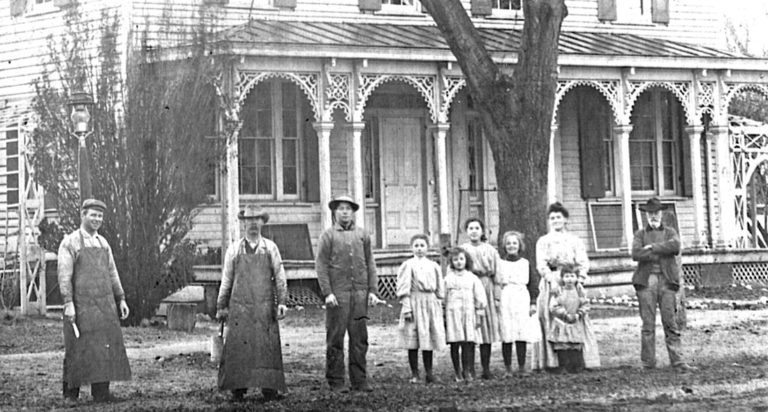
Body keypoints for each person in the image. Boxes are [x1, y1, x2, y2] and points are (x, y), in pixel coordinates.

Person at [58, 199, 131, 403]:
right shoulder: (70, 242)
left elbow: (112, 273)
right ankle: (70, 394)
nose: (97, 219)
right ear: (83, 215)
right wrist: (68, 304)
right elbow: (64, 277)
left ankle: (101, 393)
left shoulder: (103, 243)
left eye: (100, 216)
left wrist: (121, 299)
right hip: (81, 306)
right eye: (93, 215)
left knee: (103, 347)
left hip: (104, 305)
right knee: (77, 347)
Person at [216, 205, 287, 401]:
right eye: (249, 220)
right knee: (239, 347)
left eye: (257, 219)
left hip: (264, 307)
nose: (253, 223)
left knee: (267, 346)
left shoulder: (270, 248)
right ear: (244, 223)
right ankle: (238, 389)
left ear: (262, 222)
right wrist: (222, 306)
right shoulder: (234, 250)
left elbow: (280, 277)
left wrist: (281, 301)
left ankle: (269, 388)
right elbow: (226, 281)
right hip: (240, 308)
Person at [316, 194, 382, 393]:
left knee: (359, 338)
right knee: (335, 338)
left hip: (360, 294)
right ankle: (336, 381)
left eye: (348, 208)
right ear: (334, 212)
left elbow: (370, 263)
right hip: (338, 295)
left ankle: (359, 380)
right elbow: (321, 266)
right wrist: (327, 292)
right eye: (341, 208)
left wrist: (372, 290)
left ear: (353, 212)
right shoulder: (328, 236)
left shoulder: (362, 235)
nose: (345, 212)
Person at [632, 197, 696, 372]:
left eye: (656, 213)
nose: (653, 216)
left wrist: (652, 248)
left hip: (667, 281)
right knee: (647, 324)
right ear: (646, 215)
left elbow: (675, 246)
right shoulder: (639, 234)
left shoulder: (670, 231)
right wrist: (661, 250)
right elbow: (636, 253)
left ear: (661, 214)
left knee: (670, 322)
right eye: (650, 213)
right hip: (646, 282)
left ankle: (678, 362)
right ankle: (648, 363)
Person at [534, 202, 599, 371]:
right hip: (552, 282)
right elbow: (541, 264)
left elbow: (583, 262)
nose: (555, 220)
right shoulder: (544, 241)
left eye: (558, 217)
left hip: (572, 280)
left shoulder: (574, 240)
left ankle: (579, 360)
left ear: (565, 220)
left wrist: (580, 280)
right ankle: (553, 362)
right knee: (551, 317)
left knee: (575, 316)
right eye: (552, 218)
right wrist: (552, 280)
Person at [395, 234, 446, 384]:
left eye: (422, 245)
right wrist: (407, 308)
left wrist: (439, 304)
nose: (419, 249)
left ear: (427, 248)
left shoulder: (434, 265)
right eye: (416, 246)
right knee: (413, 340)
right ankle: (415, 373)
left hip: (430, 304)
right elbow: (404, 288)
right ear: (412, 248)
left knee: (427, 338)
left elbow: (439, 289)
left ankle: (429, 373)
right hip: (414, 303)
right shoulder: (408, 265)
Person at [495, 231, 541, 376]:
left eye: (514, 243)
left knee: (521, 333)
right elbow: (497, 283)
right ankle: (508, 367)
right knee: (507, 332)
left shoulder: (525, 263)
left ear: (519, 245)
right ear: (504, 246)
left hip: (521, 297)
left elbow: (533, 284)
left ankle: (521, 366)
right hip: (506, 297)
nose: (511, 246)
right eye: (508, 243)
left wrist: (533, 303)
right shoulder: (500, 263)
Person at [460, 217, 500, 379]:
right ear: (467, 231)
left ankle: (486, 368)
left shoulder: (490, 250)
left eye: (477, 228)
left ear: (482, 231)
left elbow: (498, 274)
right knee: (469, 327)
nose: (474, 231)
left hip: (486, 286)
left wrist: (497, 296)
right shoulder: (462, 249)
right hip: (467, 287)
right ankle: (469, 368)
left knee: (486, 328)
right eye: (471, 228)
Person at [444, 247, 487, 383]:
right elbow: (442, 297)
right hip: (453, 314)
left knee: (468, 343)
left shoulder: (472, 278)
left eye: (461, 259)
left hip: (468, 313)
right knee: (455, 343)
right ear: (451, 262)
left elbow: (479, 297)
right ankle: (457, 371)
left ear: (466, 260)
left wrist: (479, 314)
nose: (458, 262)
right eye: (455, 260)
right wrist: (443, 315)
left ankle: (467, 369)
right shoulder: (448, 279)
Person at [548, 264, 596, 374]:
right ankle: (564, 366)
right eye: (567, 276)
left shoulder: (580, 291)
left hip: (576, 320)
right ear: (562, 278)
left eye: (572, 276)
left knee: (576, 343)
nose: (570, 279)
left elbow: (586, 305)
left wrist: (578, 314)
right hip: (562, 321)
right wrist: (565, 314)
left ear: (576, 278)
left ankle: (577, 366)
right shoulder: (558, 291)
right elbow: (553, 306)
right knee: (563, 344)